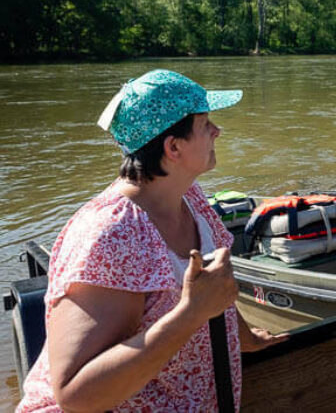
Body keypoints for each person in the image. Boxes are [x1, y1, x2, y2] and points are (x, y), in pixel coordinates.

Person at [17, 69, 287, 412]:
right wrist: (190, 314)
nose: (217, 130)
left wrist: (246, 338)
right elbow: (76, 395)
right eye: (205, 124)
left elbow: (210, 292)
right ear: (173, 146)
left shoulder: (190, 198)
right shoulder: (111, 235)